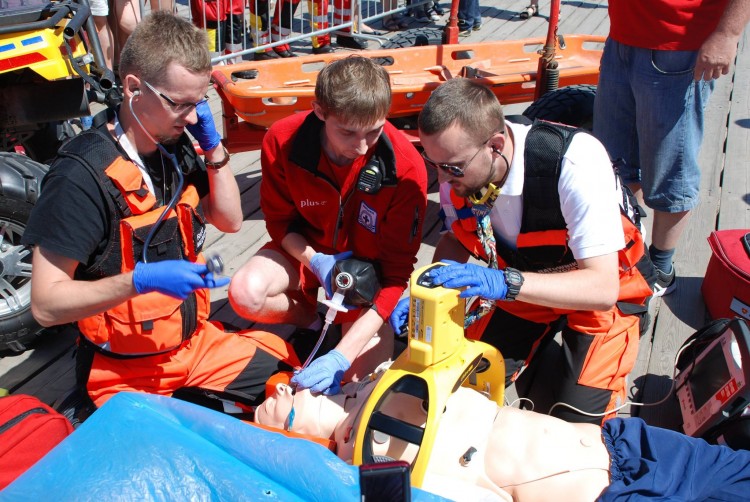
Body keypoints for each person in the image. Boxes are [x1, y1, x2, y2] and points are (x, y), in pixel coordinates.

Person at [21, 12, 298, 409]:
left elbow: (230, 221)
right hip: (124, 372)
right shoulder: (79, 178)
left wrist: (214, 149)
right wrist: (138, 281)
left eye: (200, 102)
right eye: (180, 103)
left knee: (293, 387)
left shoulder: (173, 142)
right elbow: (45, 305)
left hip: (194, 347)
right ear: (134, 88)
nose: (192, 117)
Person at [391, 78, 653, 424]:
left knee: (577, 426)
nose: (441, 179)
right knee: (464, 387)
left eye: (452, 167)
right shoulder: (459, 169)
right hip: (524, 283)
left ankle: (565, 374)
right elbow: (455, 238)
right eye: (433, 163)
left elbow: (603, 289)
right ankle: (543, 368)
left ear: (495, 145)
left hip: (604, 295)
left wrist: (504, 284)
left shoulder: (574, 163)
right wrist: (426, 291)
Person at [228, 56, 428, 395]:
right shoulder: (282, 140)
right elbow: (279, 223)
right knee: (244, 294)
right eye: (348, 132)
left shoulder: (406, 168)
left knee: (358, 379)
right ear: (320, 111)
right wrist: (317, 263)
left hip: (366, 281)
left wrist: (341, 355)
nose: (362, 146)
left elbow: (396, 275)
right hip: (306, 251)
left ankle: (340, 333)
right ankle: (315, 318)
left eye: (375, 131)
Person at [255, 373, 750, 501]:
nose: (280, 385)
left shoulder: (374, 379)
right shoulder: (369, 475)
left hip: (627, 443)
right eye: (272, 409)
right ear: (289, 442)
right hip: (608, 496)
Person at [593, 1, 750, 297]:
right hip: (621, 39)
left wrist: (728, 34)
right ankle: (630, 250)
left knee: (670, 166)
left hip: (679, 47)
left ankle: (661, 268)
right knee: (614, 161)